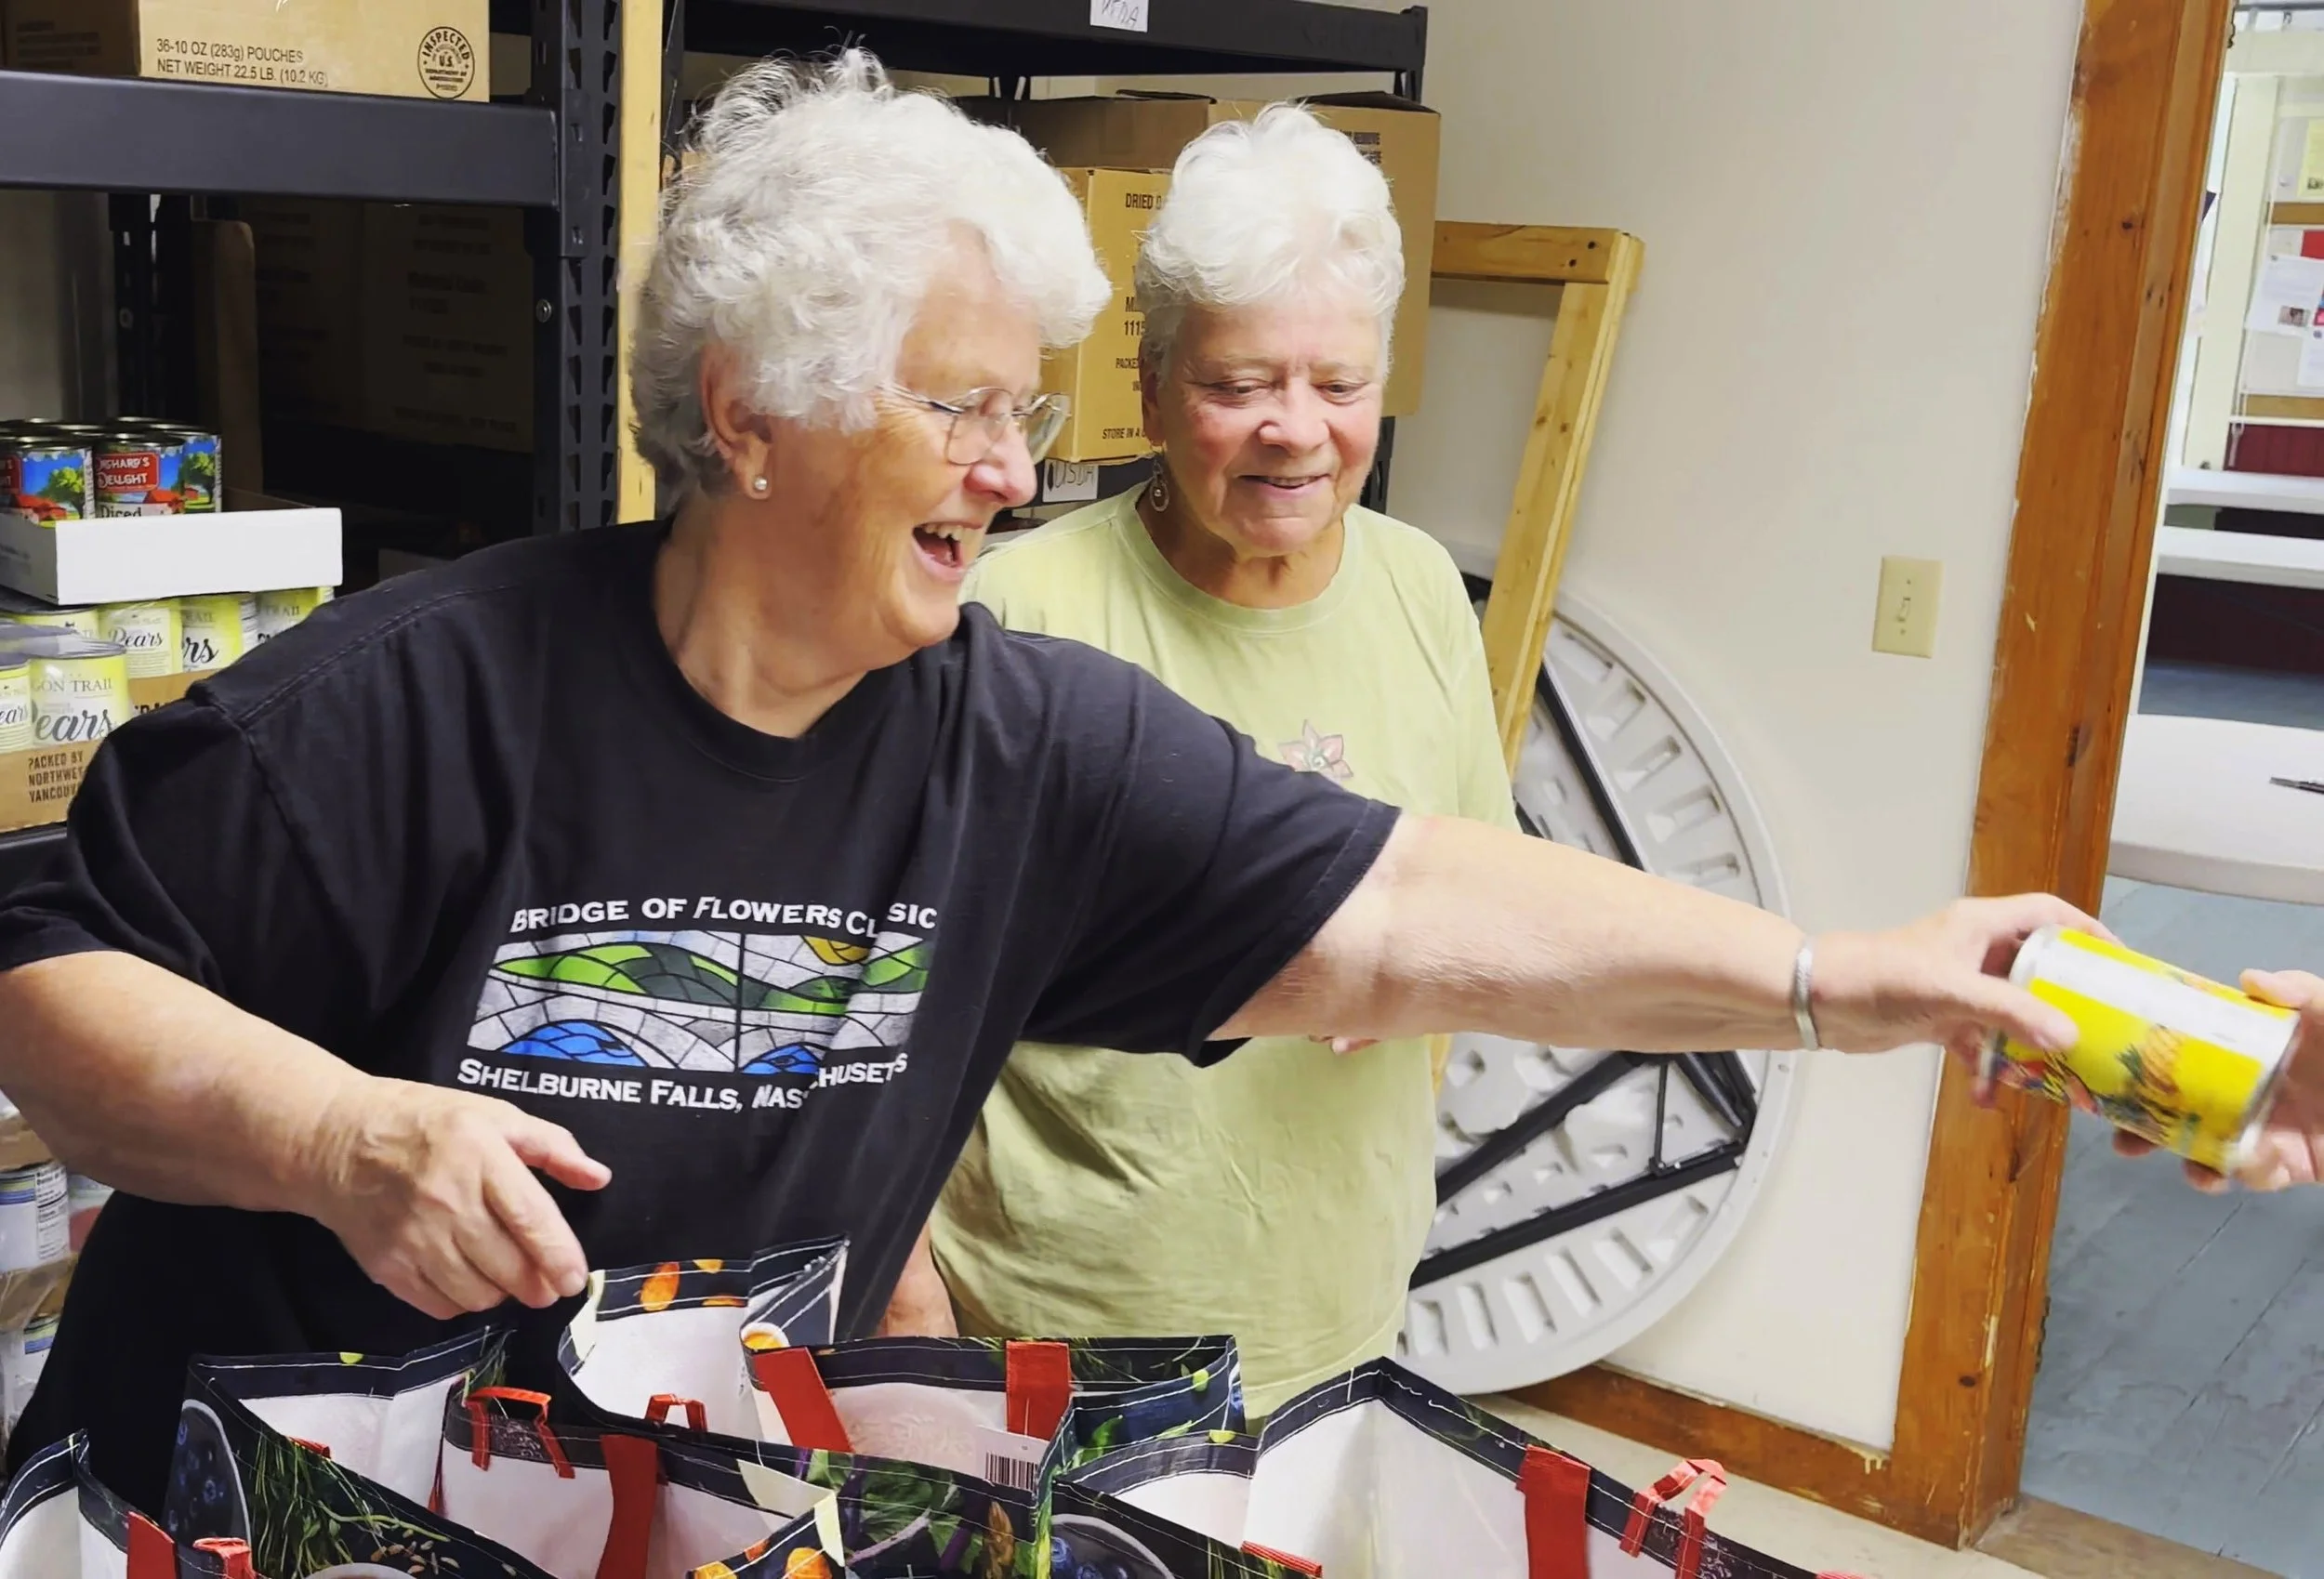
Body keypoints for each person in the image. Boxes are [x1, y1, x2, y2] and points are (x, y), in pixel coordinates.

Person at [0, 56, 2298, 1514]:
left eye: (1030, 414)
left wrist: (1850, 977)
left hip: (662, 1506)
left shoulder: (1024, 743)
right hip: (238, 1497)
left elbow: (1403, 912)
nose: (1017, 472)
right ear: (752, 411)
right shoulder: (411, 699)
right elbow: (44, 990)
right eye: (966, 410)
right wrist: (336, 1135)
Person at [918, 105, 1520, 1415]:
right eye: (1237, 384)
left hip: (1340, 1315)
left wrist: (1405, 974)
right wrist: (915, 1329)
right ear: (1147, 385)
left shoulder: (1421, 590)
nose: (1293, 429)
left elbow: (1477, 902)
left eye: (1338, 383)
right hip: (1057, 1336)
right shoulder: (1015, 617)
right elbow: (889, 1016)